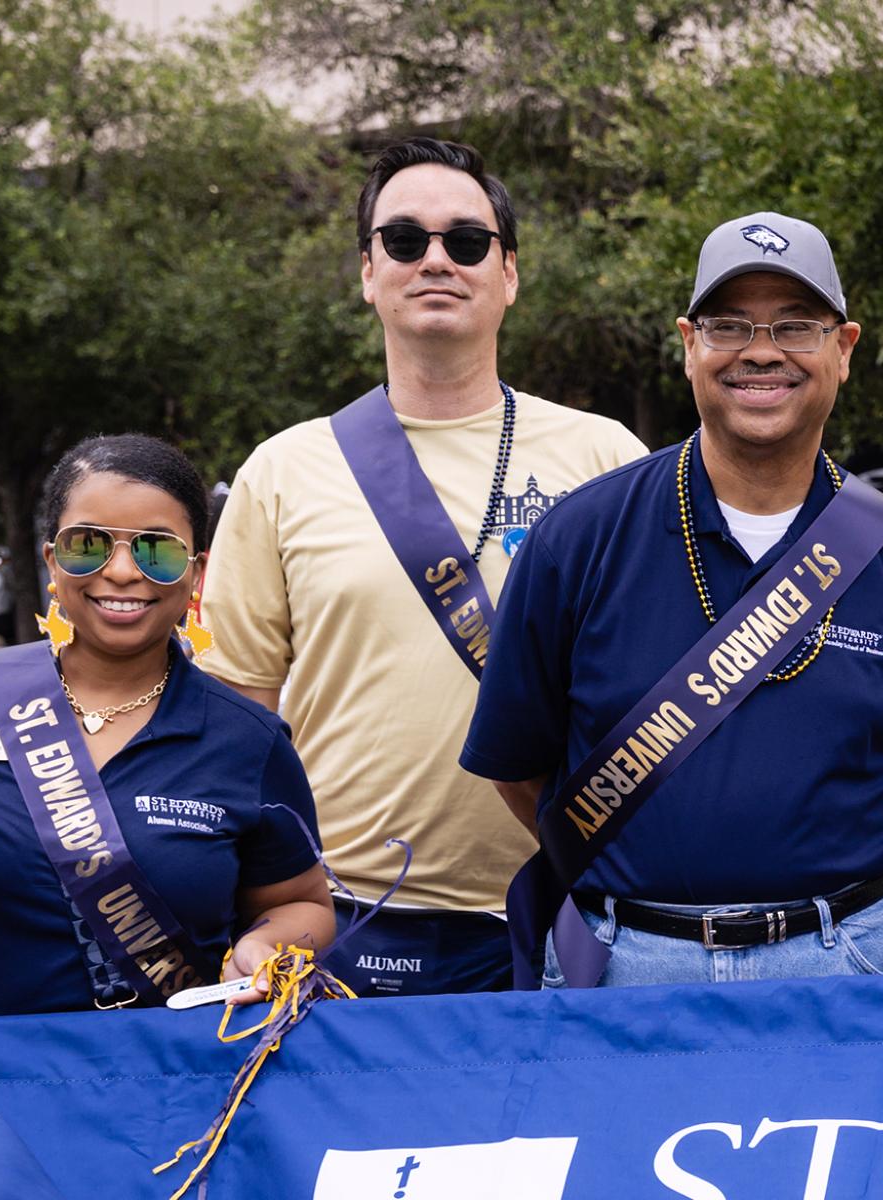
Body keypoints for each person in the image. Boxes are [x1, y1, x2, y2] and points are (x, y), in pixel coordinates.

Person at [462, 212, 883, 989]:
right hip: (627, 967)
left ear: (844, 349)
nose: (761, 350)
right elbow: (518, 768)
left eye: (796, 325)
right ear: (689, 345)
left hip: (850, 964)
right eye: (729, 325)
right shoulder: (576, 540)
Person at [204, 137, 647, 997]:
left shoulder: (608, 458)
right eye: (405, 240)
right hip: (343, 920)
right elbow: (238, 716)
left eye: (467, 241)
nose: (436, 259)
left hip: (566, 911)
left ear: (508, 274)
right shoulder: (282, 471)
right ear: (368, 272)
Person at [0, 436, 332, 1068]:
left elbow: (300, 902)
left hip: (167, 1078)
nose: (121, 571)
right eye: (88, 544)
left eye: (156, 549)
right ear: (51, 561)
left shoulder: (247, 740)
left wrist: (270, 947)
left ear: (196, 573)